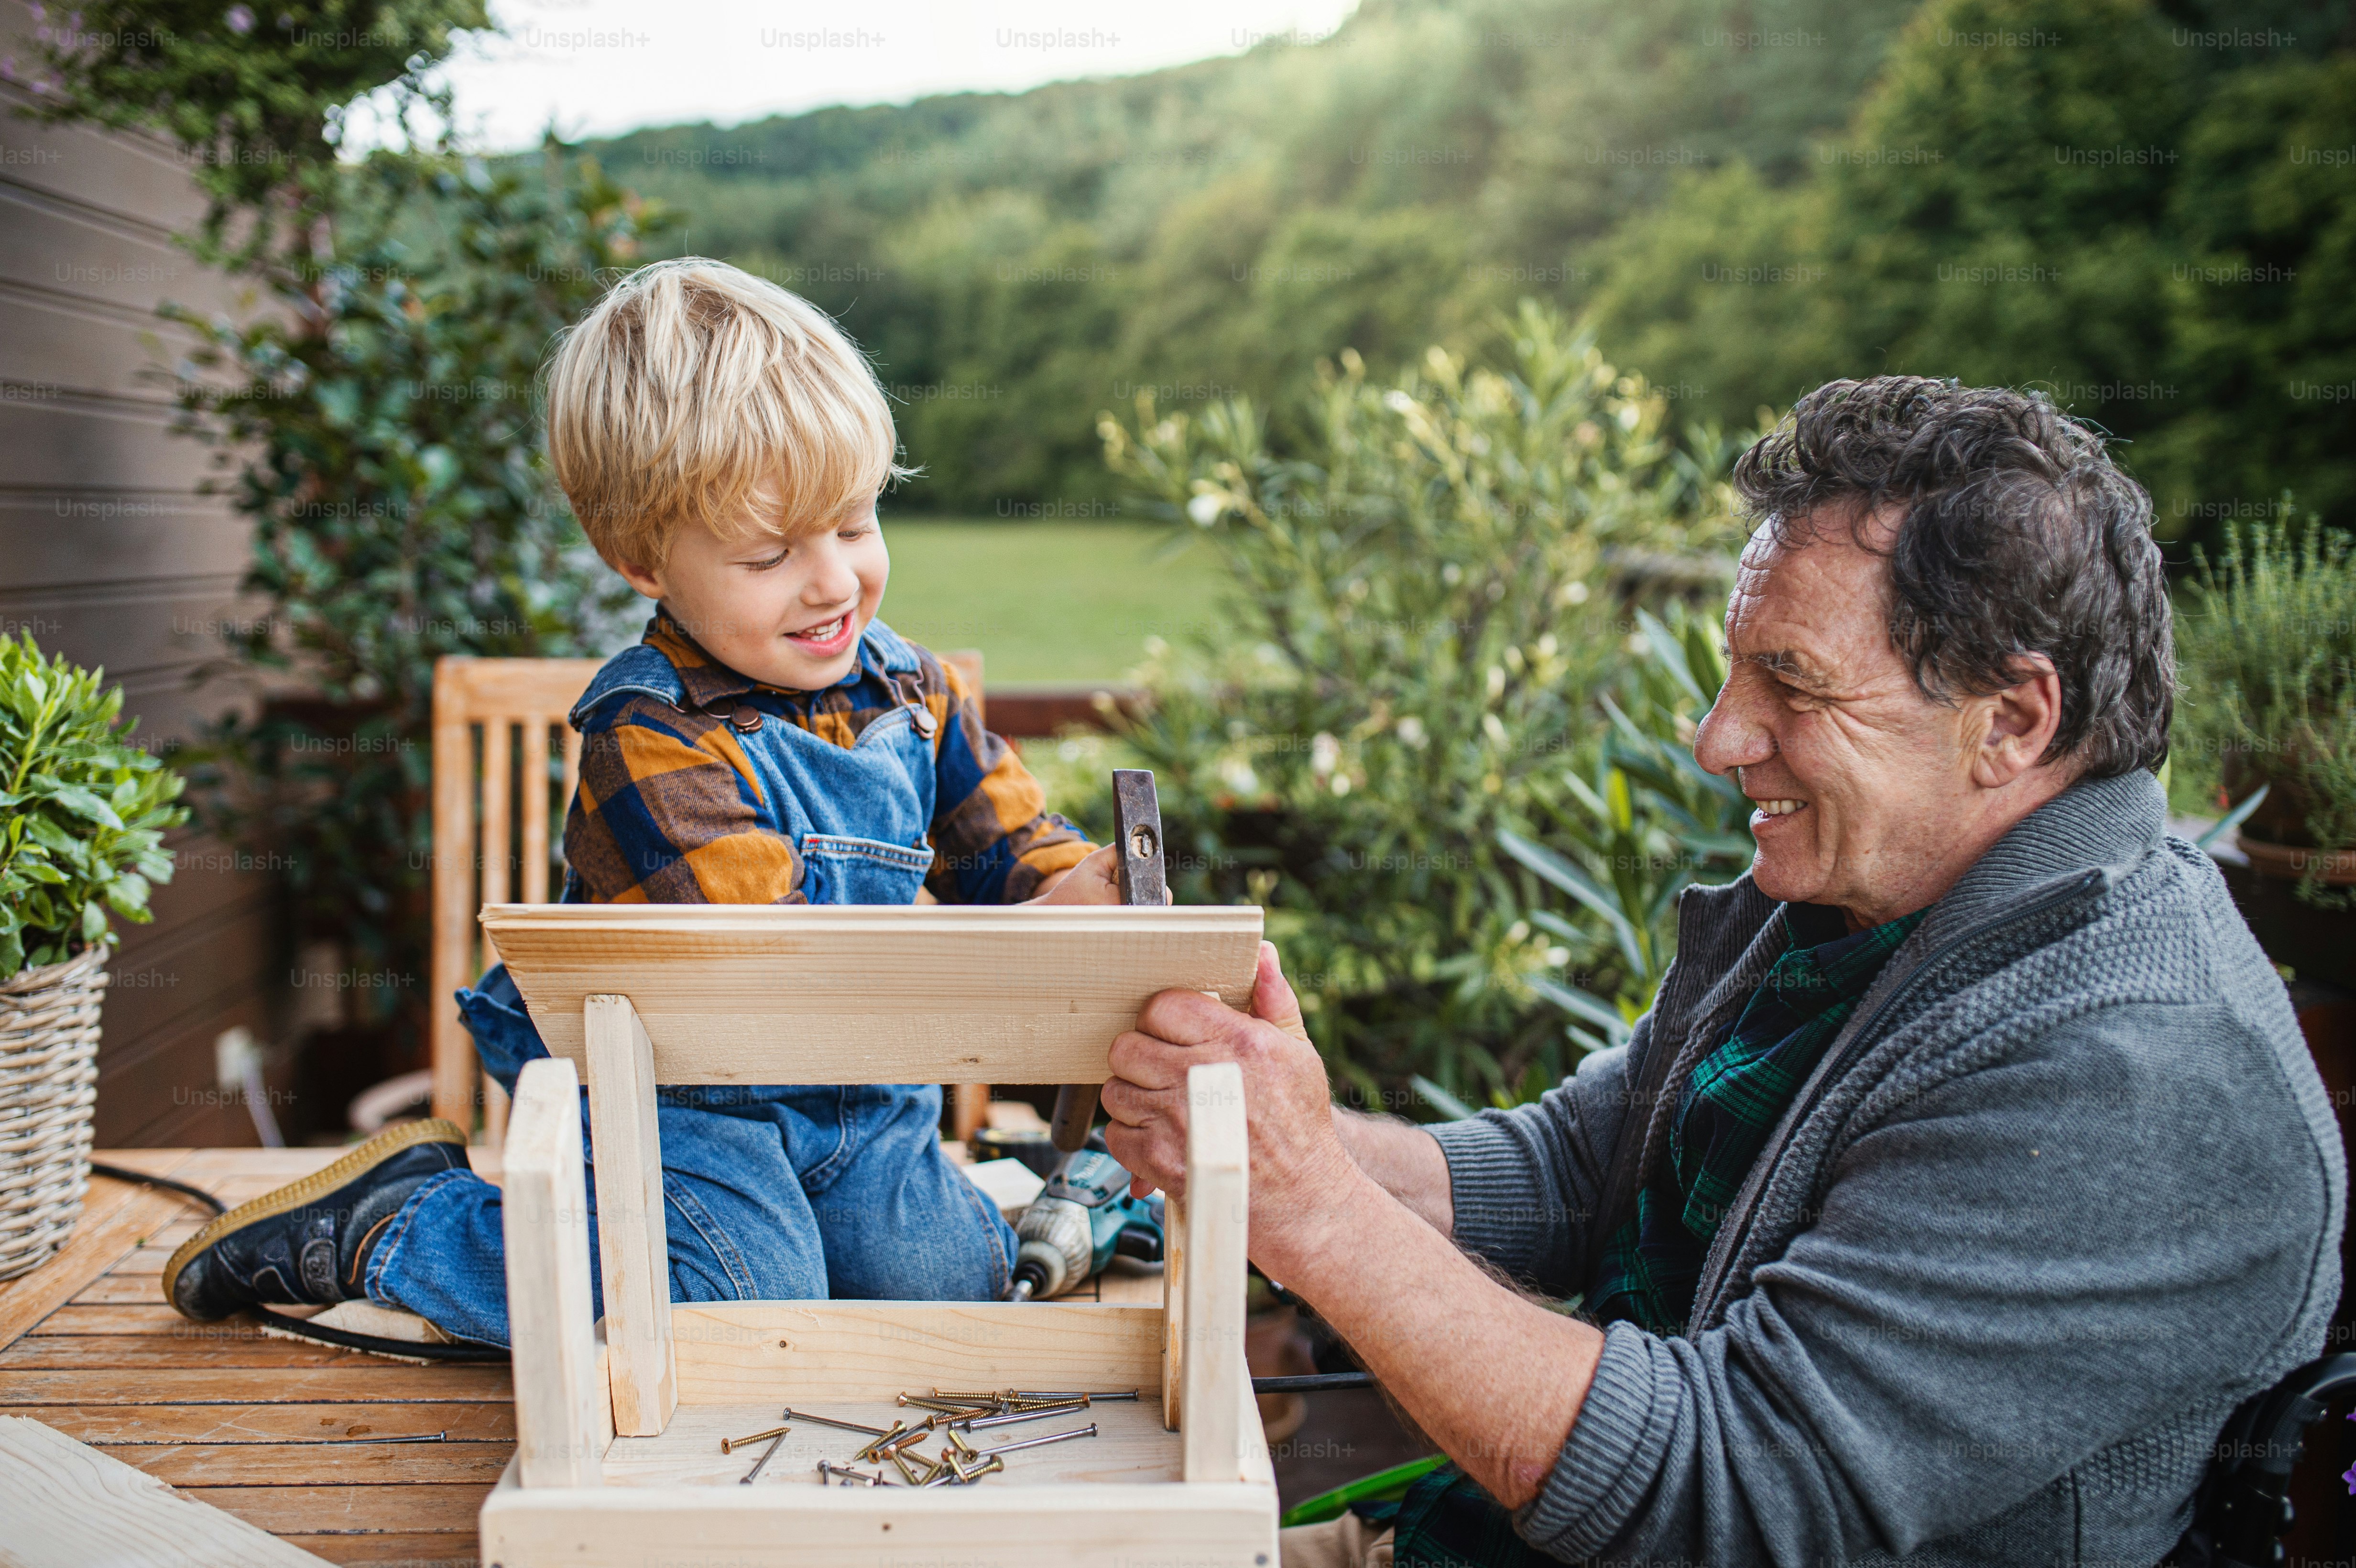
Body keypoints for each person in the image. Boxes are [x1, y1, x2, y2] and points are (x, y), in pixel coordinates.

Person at [1103, 379, 2346, 1567]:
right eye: (1735, 666)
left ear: (2013, 721)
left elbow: (1720, 1494)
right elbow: (1578, 1173)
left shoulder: (2138, 1068)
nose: (1718, 739)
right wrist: (1263, 1115)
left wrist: (1312, 1205)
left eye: (1793, 684)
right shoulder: (1861, 889)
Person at [165, 259, 1125, 1344]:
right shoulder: (647, 731)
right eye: (769, 553)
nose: (832, 582)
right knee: (737, 1306)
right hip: (686, 1104)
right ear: (639, 558)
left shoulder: (913, 688)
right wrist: (1010, 952)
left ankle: (893, 1228)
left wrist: (1076, 887)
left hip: (867, 1101)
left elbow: (1011, 843)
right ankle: (403, 1222)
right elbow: (785, 955)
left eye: (854, 523)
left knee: (948, 1289)